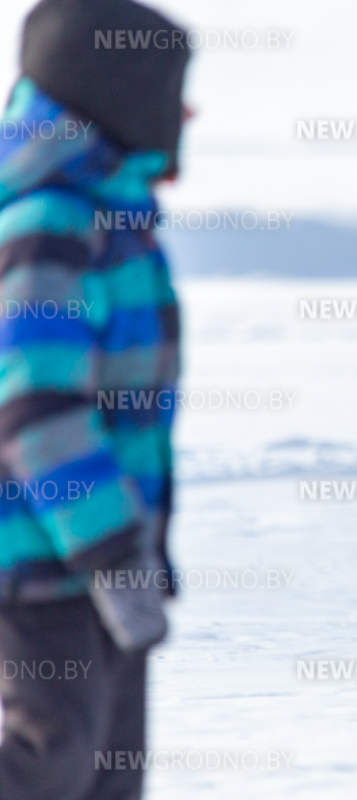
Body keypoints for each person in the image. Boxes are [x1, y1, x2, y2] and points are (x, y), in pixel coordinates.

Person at [0, 0, 190, 797]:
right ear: (112, 92)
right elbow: (38, 410)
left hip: (106, 571)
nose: (186, 112)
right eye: (168, 89)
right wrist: (112, 560)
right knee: (46, 769)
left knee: (107, 779)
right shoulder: (50, 223)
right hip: (46, 574)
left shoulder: (116, 225)